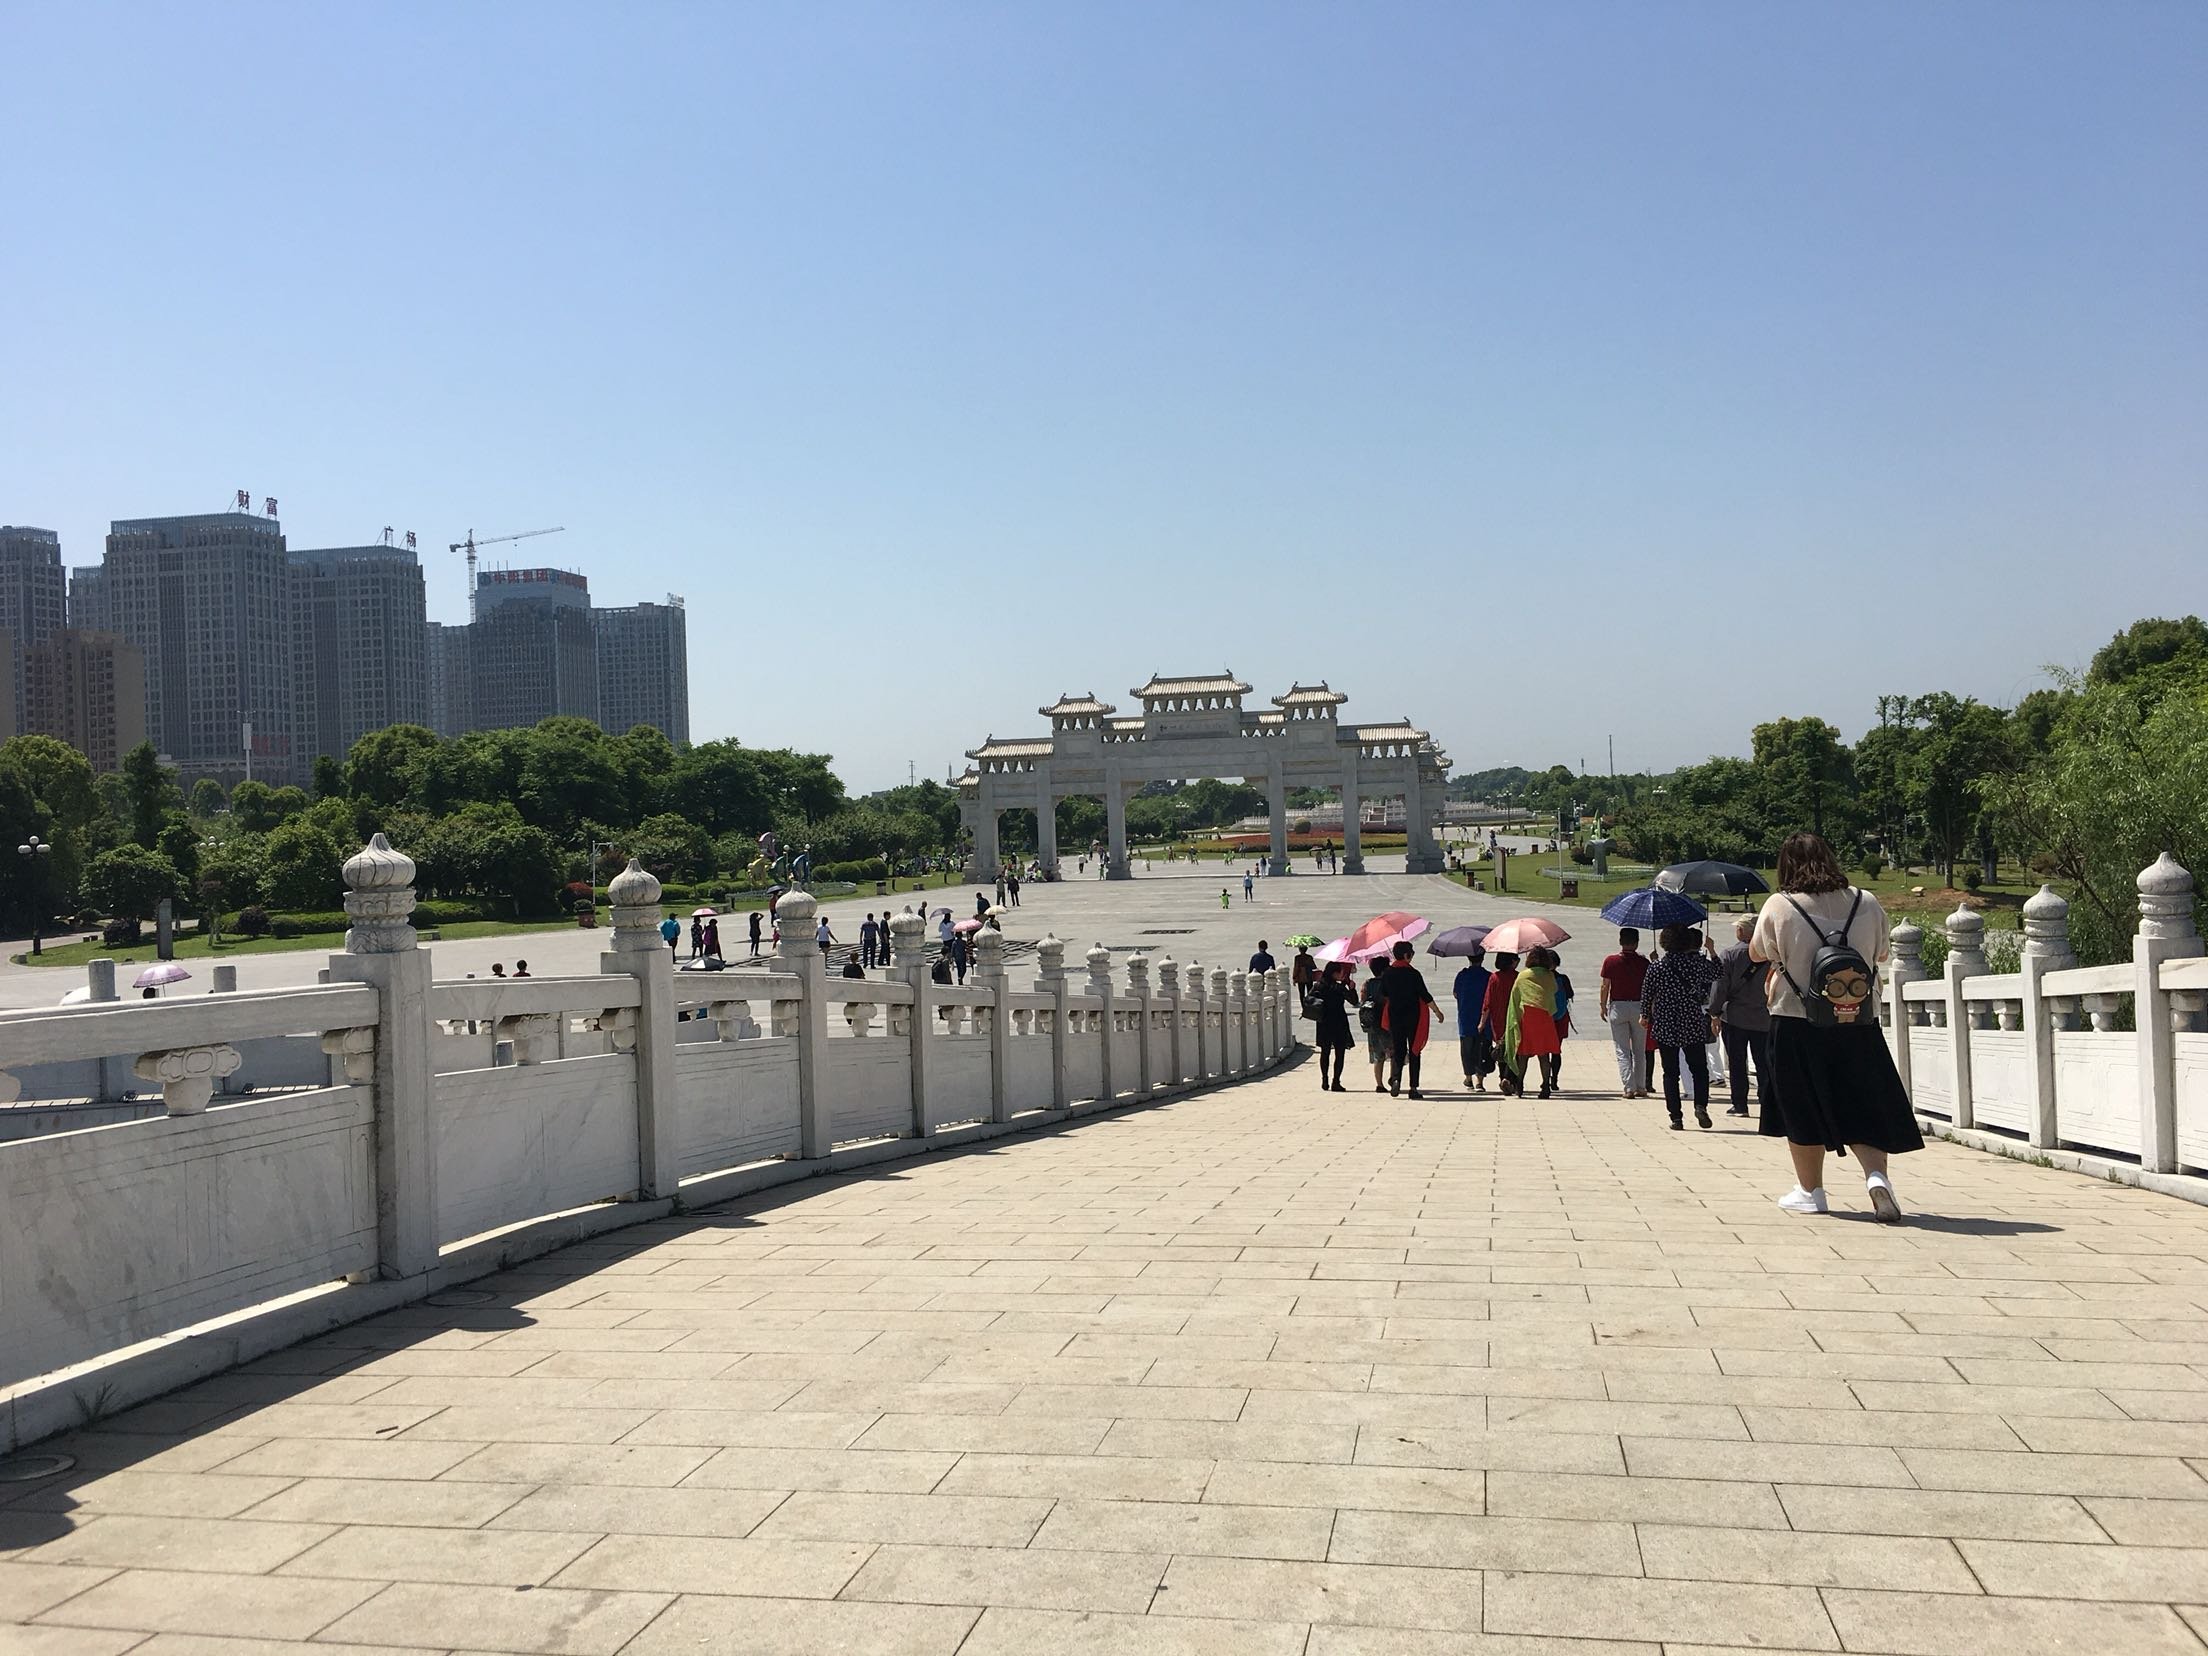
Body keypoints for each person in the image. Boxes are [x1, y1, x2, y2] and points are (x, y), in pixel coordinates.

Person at [1751, 831, 1920, 1220]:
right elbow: (1881, 953)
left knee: (1801, 1104)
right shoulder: (1866, 901)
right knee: (1862, 1101)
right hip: (1857, 1020)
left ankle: (1811, 1192)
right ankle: (1876, 1177)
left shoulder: (1780, 904)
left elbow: (1758, 952)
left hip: (1796, 1019)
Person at [1641, 923, 1721, 1129]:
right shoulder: (1697, 964)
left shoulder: (1657, 967)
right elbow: (1718, 973)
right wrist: (1712, 950)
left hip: (1666, 1022)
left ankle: (1676, 1117)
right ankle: (1700, 1105)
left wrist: (1645, 1015)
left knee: (1670, 1073)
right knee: (1699, 1069)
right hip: (1691, 1020)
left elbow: (1647, 993)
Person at [1708, 916, 1772, 1117]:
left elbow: (1720, 987)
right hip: (1764, 1016)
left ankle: (1740, 1104)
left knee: (1737, 1063)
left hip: (1735, 1016)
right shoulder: (1771, 955)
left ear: (1743, 931)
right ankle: (1768, 1103)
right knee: (1764, 1063)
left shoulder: (1730, 954)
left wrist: (1714, 1012)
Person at [1504, 947, 1564, 1098]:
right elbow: (1553, 990)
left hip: (1528, 1017)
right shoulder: (1549, 975)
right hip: (1544, 1017)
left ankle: (1519, 1085)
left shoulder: (1523, 975)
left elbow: (1515, 995)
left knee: (1523, 1054)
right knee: (1544, 1055)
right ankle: (1546, 1086)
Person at [1599, 928, 1651, 1098]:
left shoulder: (1611, 961)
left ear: (1620, 941)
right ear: (1637, 943)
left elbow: (1605, 985)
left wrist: (1603, 1005)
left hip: (1618, 1006)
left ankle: (1629, 1087)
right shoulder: (1644, 962)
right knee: (1639, 1050)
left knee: (1622, 1050)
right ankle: (1641, 1086)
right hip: (1639, 1006)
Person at [1309, 960, 1358, 1091]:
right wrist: (1352, 988)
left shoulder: (1318, 986)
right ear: (1334, 973)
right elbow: (1354, 1001)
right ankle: (1336, 1081)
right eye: (1339, 972)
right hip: (1338, 1021)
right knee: (1339, 1053)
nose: (1341, 974)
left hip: (1323, 1022)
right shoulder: (1339, 988)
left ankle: (1324, 1079)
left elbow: (1309, 999)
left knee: (1325, 1052)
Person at [1453, 946, 1494, 1090]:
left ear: (1468, 958)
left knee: (1467, 1050)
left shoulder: (1462, 975)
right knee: (1482, 1049)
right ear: (1482, 958)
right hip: (1484, 1019)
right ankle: (1479, 1082)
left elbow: (1456, 994)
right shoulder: (1488, 976)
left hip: (1466, 1018)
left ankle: (1468, 1078)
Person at [1480, 952, 1521, 1094]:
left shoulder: (1494, 977)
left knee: (1501, 1049)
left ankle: (1503, 1077)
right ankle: (1510, 1079)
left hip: (1497, 1020)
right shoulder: (1518, 977)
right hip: (1515, 1018)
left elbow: (1487, 1002)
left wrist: (1482, 1023)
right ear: (1512, 962)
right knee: (1515, 1050)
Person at [1359, 958, 1391, 1091]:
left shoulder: (1367, 984)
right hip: (1387, 1021)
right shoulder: (1388, 983)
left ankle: (1379, 1084)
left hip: (1372, 1023)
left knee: (1378, 1055)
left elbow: (1362, 1001)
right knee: (1393, 1052)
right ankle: (1393, 1079)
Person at [1291, 942, 1316, 1010]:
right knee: (1310, 993)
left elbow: (1296, 968)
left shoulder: (1297, 958)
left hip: (1300, 978)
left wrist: (1294, 978)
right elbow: (1314, 967)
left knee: (1301, 993)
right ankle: (1310, 1006)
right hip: (1309, 977)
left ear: (1299, 950)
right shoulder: (1309, 957)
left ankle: (1303, 1007)